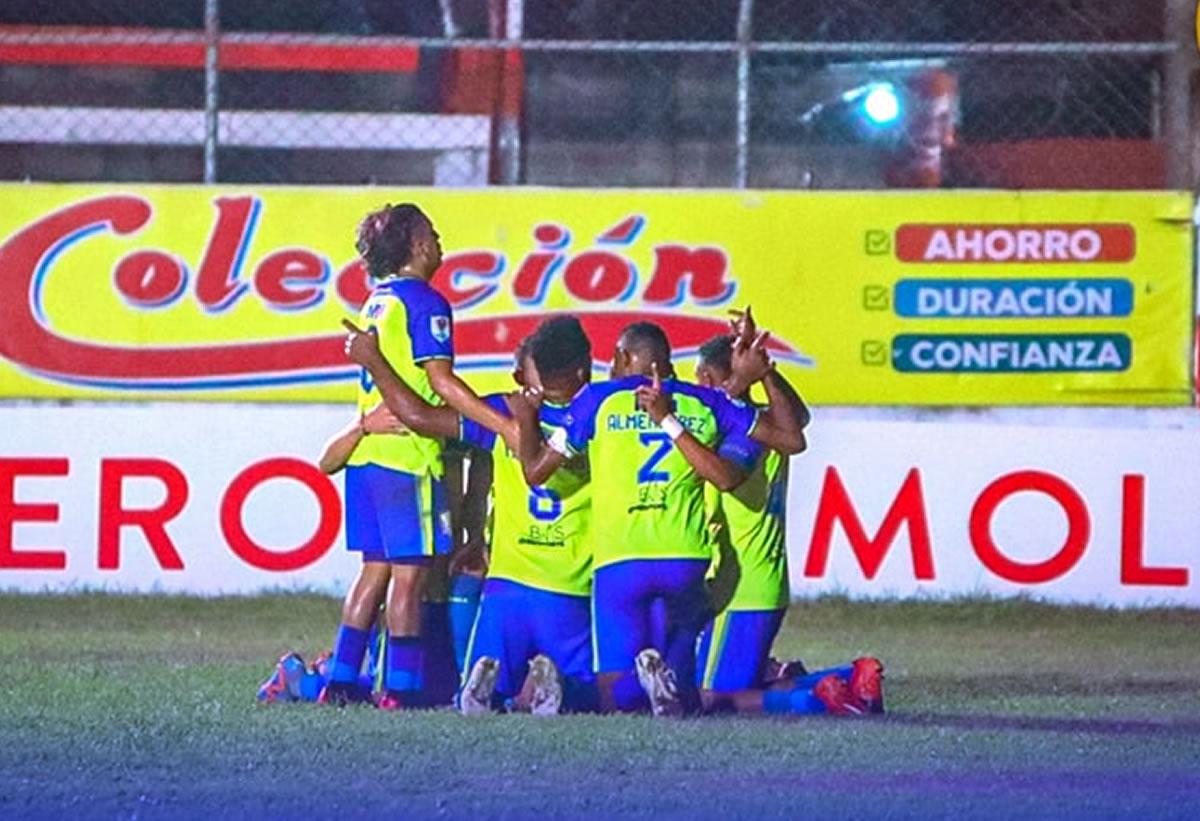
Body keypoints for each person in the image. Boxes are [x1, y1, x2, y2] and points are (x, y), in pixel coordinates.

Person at [513, 318, 808, 716]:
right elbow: (792, 439)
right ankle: (661, 683)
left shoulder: (596, 401)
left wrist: (527, 418)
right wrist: (764, 373)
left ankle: (570, 688)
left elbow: (535, 473)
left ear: (621, 357)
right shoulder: (705, 401)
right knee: (685, 688)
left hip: (621, 562)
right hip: (683, 559)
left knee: (613, 694)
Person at [343, 315, 597, 716]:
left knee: (487, 682)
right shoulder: (603, 417)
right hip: (571, 588)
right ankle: (553, 689)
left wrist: (374, 362)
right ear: (584, 368)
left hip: (507, 590)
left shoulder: (501, 412)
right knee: (596, 689)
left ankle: (489, 690)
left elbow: (419, 417)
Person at [323, 203, 513, 709]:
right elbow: (440, 382)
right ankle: (401, 691)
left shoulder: (375, 302)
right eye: (431, 231)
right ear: (416, 246)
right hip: (409, 458)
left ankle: (342, 682)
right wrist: (496, 424)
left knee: (374, 571)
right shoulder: (424, 301)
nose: (439, 238)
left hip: (369, 457)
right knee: (409, 578)